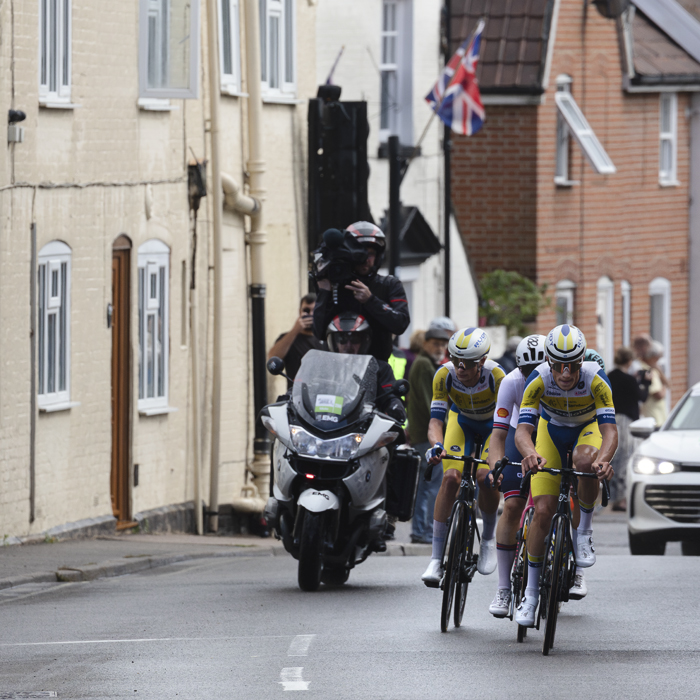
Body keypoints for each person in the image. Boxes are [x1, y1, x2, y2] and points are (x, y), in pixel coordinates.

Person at [513, 324, 617, 627]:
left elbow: (610, 431)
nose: (566, 373)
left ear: (582, 359)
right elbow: (522, 431)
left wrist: (604, 460)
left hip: (587, 429)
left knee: (586, 460)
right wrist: (529, 452)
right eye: (558, 365)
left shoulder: (596, 378)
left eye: (572, 364)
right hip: (551, 430)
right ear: (548, 361)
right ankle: (530, 595)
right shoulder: (539, 379)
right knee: (543, 510)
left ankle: (583, 532)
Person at [421, 327, 506, 586]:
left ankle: (488, 539)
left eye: (468, 363)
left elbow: (506, 423)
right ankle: (436, 559)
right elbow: (435, 422)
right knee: (450, 478)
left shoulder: (497, 376)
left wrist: (499, 463)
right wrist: (436, 446)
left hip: (493, 425)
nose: (460, 368)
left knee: (484, 476)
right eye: (455, 359)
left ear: (481, 361)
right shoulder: (444, 375)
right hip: (462, 423)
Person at [485, 334, 547, 616]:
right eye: (526, 371)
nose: (532, 376)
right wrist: (496, 466)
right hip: (518, 429)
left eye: (540, 369)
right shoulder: (511, 382)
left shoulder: (561, 378)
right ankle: (503, 589)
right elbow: (498, 435)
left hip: (550, 428)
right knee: (511, 505)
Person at [313, 222, 410, 362]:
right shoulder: (337, 285)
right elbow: (319, 332)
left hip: (377, 368)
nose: (365, 259)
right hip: (339, 369)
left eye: (370, 254)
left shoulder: (389, 284)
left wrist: (371, 300)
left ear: (378, 256)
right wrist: (324, 291)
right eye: (360, 253)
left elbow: (401, 323)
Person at [407, 320, 453, 545]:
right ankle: (423, 531)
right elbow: (430, 404)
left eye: (443, 344)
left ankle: (420, 530)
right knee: (430, 484)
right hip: (427, 436)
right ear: (425, 344)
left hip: (420, 434)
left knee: (425, 484)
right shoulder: (424, 365)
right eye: (435, 343)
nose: (439, 348)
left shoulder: (422, 363)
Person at [325, 312, 406, 424]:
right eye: (342, 339)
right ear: (334, 341)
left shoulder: (380, 368)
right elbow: (306, 390)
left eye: (354, 339)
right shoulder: (323, 368)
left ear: (365, 341)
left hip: (364, 428)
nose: (348, 345)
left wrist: (395, 406)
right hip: (325, 424)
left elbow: (390, 395)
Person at [608, 346, 651, 511]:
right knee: (625, 458)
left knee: (614, 458)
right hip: (626, 421)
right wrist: (645, 383)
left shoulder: (610, 376)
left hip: (611, 419)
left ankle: (612, 496)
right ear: (629, 361)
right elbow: (642, 397)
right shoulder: (629, 380)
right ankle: (620, 499)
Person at [268, 294, 324, 387]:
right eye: (306, 310)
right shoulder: (288, 338)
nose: (310, 314)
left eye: (314, 310)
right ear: (300, 311)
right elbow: (273, 357)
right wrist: (295, 330)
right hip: (297, 395)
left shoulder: (325, 338)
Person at [640, 341, 669, 427]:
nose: (657, 361)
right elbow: (659, 394)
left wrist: (659, 370)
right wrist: (664, 386)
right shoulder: (646, 371)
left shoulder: (654, 369)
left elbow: (668, 383)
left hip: (660, 417)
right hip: (653, 418)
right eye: (656, 358)